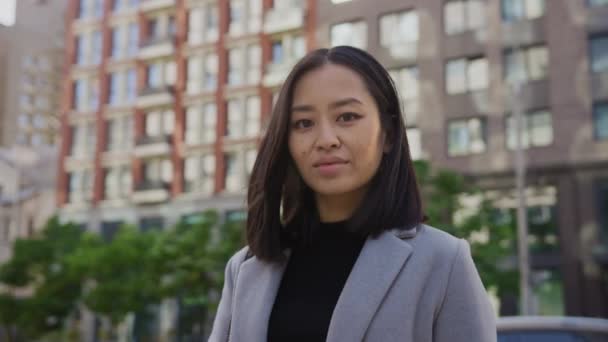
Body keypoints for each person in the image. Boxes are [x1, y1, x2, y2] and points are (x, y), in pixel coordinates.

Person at [208, 46, 496, 342]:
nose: (326, 140)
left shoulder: (443, 261)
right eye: (304, 123)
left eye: (347, 117)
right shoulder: (245, 268)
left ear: (389, 133)